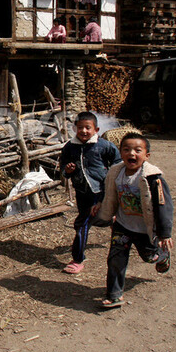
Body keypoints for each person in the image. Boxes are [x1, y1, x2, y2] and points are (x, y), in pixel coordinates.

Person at [94, 132, 173, 309]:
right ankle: (114, 295)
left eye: (138, 150)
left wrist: (165, 233)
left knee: (149, 256)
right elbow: (107, 191)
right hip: (122, 225)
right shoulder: (116, 172)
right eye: (126, 149)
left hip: (145, 229)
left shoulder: (153, 178)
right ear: (120, 153)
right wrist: (99, 203)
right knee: (116, 259)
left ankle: (162, 256)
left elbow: (163, 206)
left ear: (147, 155)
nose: (132, 154)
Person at [59, 111, 121, 274]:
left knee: (85, 222)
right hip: (82, 192)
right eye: (80, 128)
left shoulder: (104, 146)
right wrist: (68, 170)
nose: (84, 131)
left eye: (88, 128)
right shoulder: (70, 147)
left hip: (102, 191)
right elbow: (63, 165)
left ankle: (78, 259)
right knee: (88, 221)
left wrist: (111, 177)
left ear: (96, 129)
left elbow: (118, 162)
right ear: (75, 129)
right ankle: (79, 259)